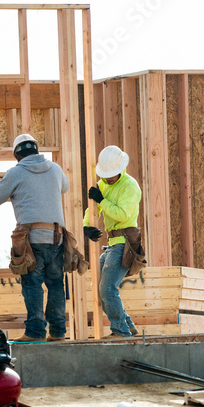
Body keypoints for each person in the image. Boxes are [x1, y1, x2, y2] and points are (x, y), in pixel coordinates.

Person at [0, 134, 70, 342]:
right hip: (56, 238)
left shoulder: (16, 173)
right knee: (55, 284)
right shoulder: (55, 169)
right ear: (36, 149)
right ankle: (58, 332)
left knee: (32, 284)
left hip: (32, 239)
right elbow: (65, 187)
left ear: (17, 154)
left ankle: (35, 332)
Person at [83, 145, 143, 339]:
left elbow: (121, 213)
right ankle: (128, 327)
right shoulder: (102, 185)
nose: (107, 178)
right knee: (100, 286)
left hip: (125, 242)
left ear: (120, 169)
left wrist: (101, 200)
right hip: (112, 243)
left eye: (111, 174)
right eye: (105, 174)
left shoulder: (130, 186)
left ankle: (120, 331)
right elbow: (92, 209)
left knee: (108, 288)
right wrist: (87, 225)